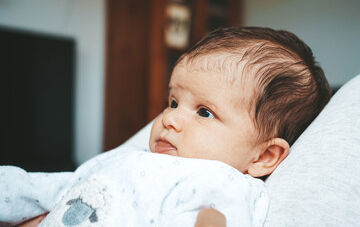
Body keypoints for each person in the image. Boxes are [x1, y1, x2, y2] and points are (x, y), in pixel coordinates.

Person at [0, 27, 331, 227]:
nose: (169, 118)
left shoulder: (223, 182)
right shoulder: (125, 159)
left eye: (204, 112)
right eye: (173, 102)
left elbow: (215, 220)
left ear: (264, 156)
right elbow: (51, 188)